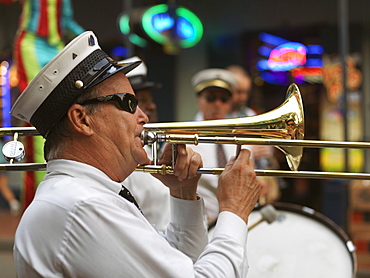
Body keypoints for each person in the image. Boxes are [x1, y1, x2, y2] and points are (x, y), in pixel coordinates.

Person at [12, 31, 261, 277]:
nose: (143, 117)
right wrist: (235, 211)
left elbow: (181, 264)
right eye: (129, 103)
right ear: (82, 119)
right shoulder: (84, 204)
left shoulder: (87, 196)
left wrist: (183, 195)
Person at [121, 56, 170, 232]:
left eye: (150, 99)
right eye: (141, 101)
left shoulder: (151, 145)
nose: (151, 106)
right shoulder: (123, 154)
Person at [226, 65, 281, 205]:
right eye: (238, 92)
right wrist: (251, 152)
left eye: (246, 93)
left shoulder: (250, 114)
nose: (243, 97)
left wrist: (268, 148)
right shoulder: (217, 117)